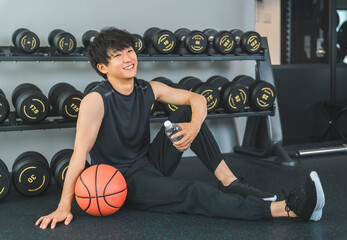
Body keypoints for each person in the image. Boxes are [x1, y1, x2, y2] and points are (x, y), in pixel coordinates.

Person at [35, 27, 325, 229]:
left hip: (149, 162)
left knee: (187, 110)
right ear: (102, 67)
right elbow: (78, 155)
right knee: (193, 192)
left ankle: (230, 181)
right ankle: (285, 209)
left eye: (129, 51)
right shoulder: (96, 100)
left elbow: (195, 98)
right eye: (118, 55)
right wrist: (64, 207)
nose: (128, 58)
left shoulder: (146, 88)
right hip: (122, 182)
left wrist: (193, 125)